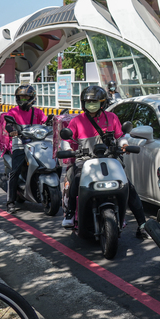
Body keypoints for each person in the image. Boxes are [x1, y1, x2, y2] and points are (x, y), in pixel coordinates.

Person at [61, 85, 149, 239]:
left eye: (94, 102)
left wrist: (124, 146)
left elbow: (121, 137)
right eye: (88, 102)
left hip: (110, 160)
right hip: (85, 161)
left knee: (128, 187)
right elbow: (66, 140)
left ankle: (142, 225)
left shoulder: (112, 118)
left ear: (102, 103)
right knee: (75, 178)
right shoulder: (77, 121)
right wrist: (68, 150)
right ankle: (70, 214)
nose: (91, 105)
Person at [3, 85, 47, 213]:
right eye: (21, 97)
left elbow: (45, 121)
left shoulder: (37, 112)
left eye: (26, 97)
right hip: (20, 145)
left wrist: (51, 121)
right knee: (14, 171)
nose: (23, 99)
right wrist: (11, 131)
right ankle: (10, 202)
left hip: (37, 145)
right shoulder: (13, 112)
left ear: (32, 98)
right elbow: (9, 125)